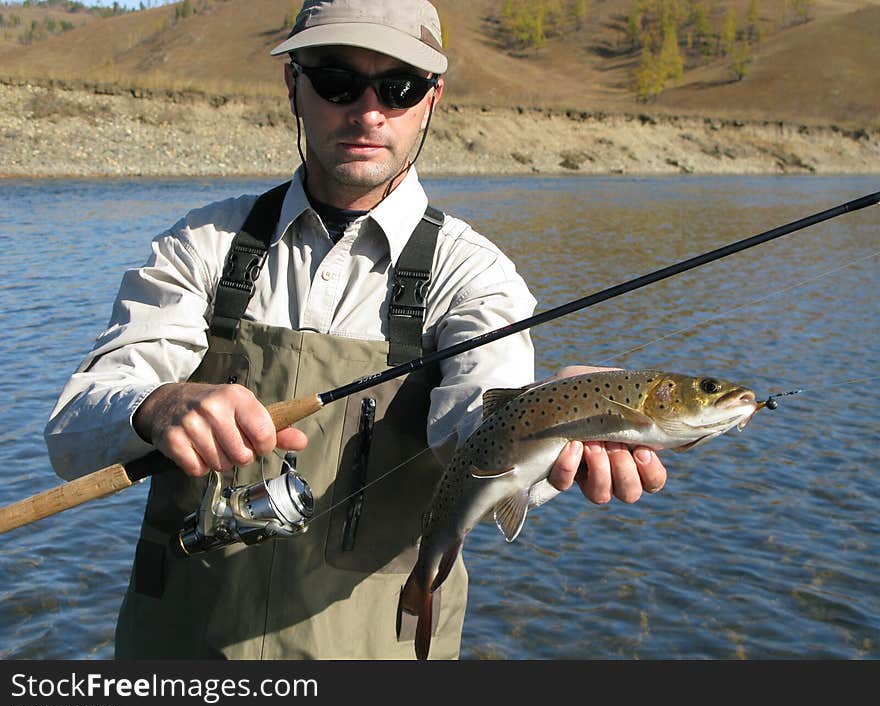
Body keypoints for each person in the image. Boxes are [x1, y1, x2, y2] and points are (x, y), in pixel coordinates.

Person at [44, 0, 666, 660]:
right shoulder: (201, 245)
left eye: (399, 87)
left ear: (432, 100)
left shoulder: (475, 277)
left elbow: (474, 434)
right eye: (338, 81)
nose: (368, 112)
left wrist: (556, 418)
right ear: (293, 85)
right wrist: (154, 404)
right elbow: (71, 433)